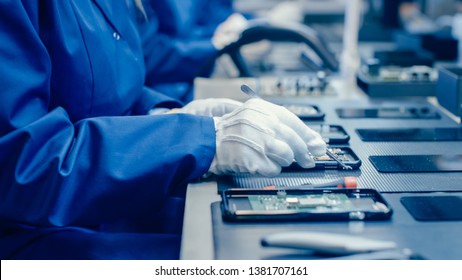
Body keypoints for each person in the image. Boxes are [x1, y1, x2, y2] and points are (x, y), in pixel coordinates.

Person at [0, 0, 325, 259]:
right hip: (30, 236)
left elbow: (109, 87)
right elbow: (25, 164)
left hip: (99, 204)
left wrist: (166, 113)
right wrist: (199, 138)